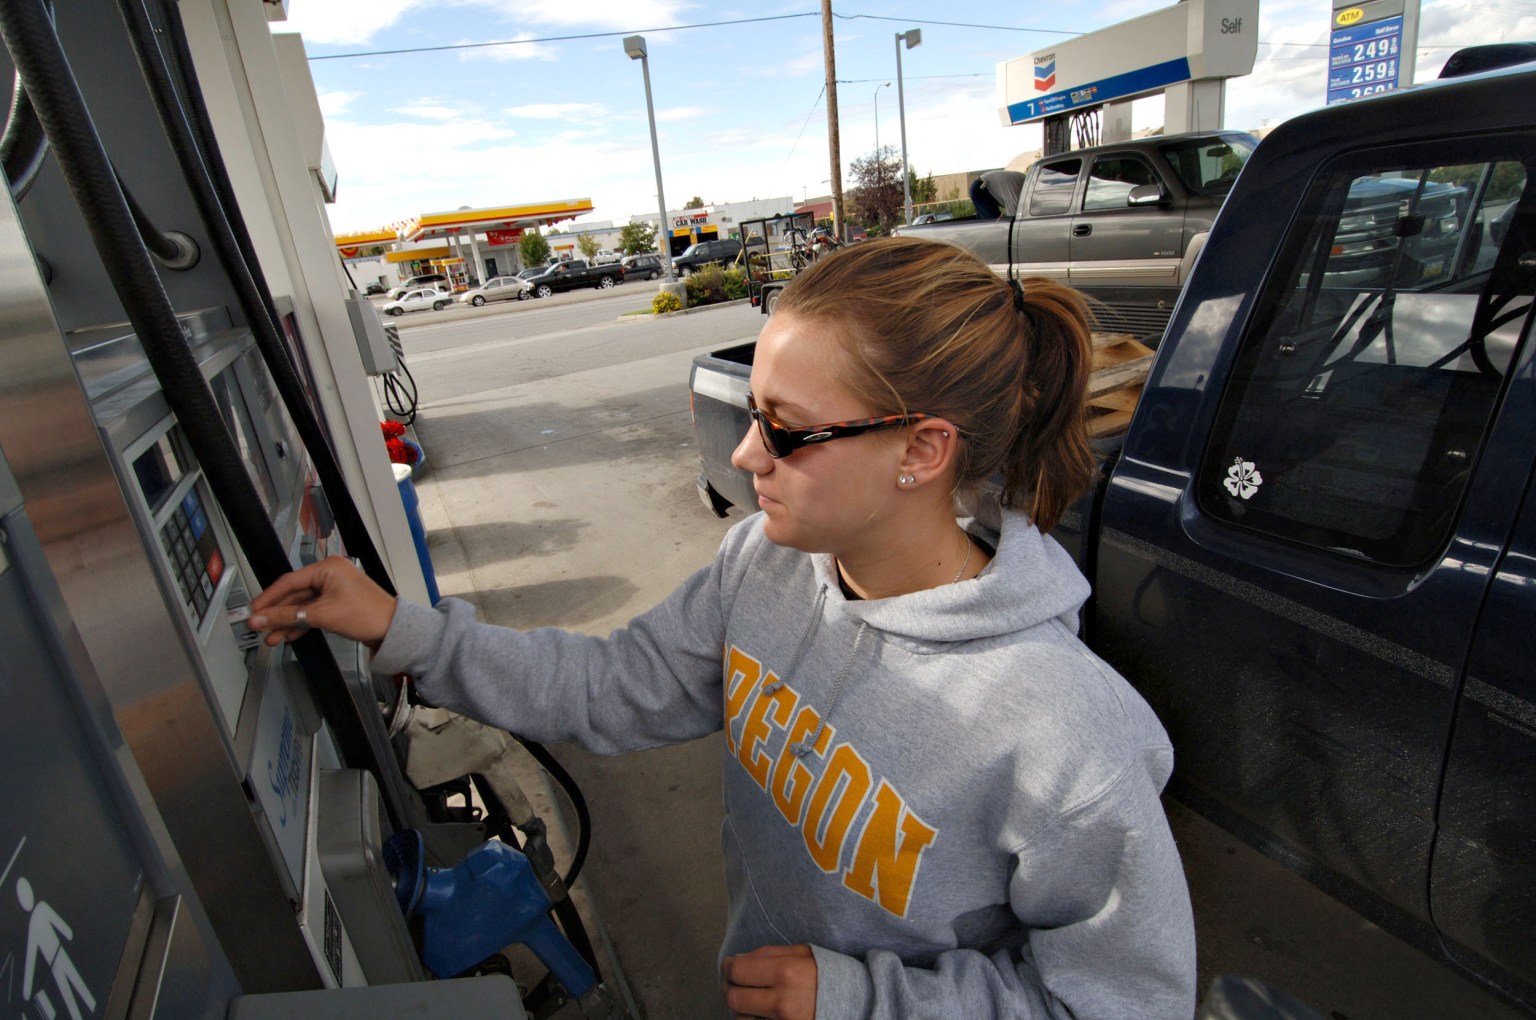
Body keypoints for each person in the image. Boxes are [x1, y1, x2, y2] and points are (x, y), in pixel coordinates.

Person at [250, 237, 1197, 1019]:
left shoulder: (1066, 732)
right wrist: (400, 629)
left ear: (921, 449)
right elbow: (611, 685)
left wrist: (859, 1001)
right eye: (752, 412)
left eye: (786, 429)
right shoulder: (766, 567)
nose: (747, 454)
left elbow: (1117, 1003)